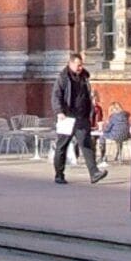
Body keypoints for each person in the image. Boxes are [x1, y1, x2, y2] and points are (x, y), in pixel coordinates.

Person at [52, 52, 102, 184]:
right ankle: (59, 174)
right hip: (67, 117)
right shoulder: (63, 78)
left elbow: (86, 95)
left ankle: (94, 173)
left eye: (81, 65)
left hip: (81, 117)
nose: (80, 68)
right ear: (71, 64)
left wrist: (90, 111)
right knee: (62, 146)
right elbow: (56, 96)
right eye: (78, 65)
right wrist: (59, 111)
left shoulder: (84, 77)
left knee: (86, 145)